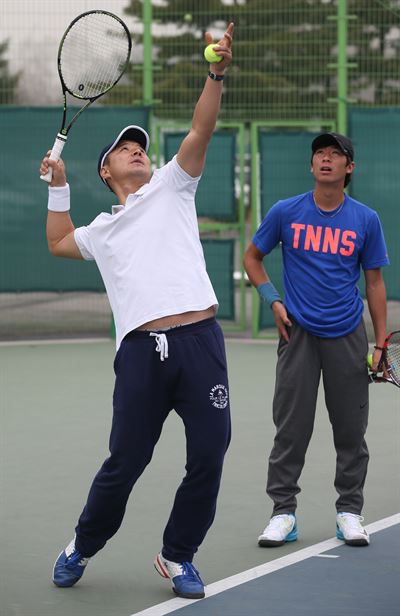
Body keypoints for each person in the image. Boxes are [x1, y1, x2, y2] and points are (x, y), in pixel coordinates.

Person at [39, 23, 234, 599]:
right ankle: (81, 545)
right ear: (107, 172)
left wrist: (216, 71)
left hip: (200, 341)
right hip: (142, 354)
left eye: (142, 147)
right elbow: (57, 242)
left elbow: (201, 127)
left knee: (210, 454)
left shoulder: (174, 186)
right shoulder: (102, 229)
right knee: (125, 461)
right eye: (127, 149)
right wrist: (58, 187)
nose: (139, 151)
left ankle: (178, 556)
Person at [243, 132, 389, 548]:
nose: (326, 160)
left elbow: (375, 284)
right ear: (312, 167)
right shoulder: (286, 212)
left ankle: (349, 511)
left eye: (335, 155)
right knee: (290, 428)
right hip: (297, 334)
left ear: (349, 168)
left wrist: (379, 343)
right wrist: (272, 300)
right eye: (320, 154)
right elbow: (253, 257)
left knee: (350, 430)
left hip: (347, 335)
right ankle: (283, 514)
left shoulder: (366, 219)